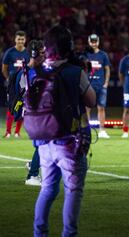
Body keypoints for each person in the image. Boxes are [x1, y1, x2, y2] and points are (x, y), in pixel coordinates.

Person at [33, 25, 96, 237]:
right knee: (73, 191)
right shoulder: (74, 71)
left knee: (47, 189)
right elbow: (91, 100)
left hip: (43, 141)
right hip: (69, 141)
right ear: (68, 46)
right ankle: (69, 234)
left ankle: (39, 233)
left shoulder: (38, 71)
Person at [16, 40, 46, 186]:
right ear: (34, 54)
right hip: (33, 113)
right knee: (43, 143)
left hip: (38, 113)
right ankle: (32, 175)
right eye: (42, 53)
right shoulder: (29, 73)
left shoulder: (35, 71)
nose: (45, 55)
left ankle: (33, 164)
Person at [2, 30, 30, 138]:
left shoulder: (27, 53)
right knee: (11, 107)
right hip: (12, 85)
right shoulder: (10, 52)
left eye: (22, 39)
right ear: (15, 40)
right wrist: (8, 79)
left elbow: (30, 67)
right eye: (18, 39)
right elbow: (4, 68)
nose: (20, 41)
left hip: (23, 85)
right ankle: (8, 132)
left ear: (25, 40)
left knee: (21, 107)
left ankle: (17, 132)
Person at [86, 34, 111, 138]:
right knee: (87, 108)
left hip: (100, 86)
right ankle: (86, 130)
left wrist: (106, 83)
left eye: (95, 41)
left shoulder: (103, 55)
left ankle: (102, 130)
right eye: (92, 41)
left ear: (98, 42)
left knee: (101, 108)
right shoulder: (86, 54)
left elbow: (107, 69)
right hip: (88, 86)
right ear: (89, 42)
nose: (94, 43)